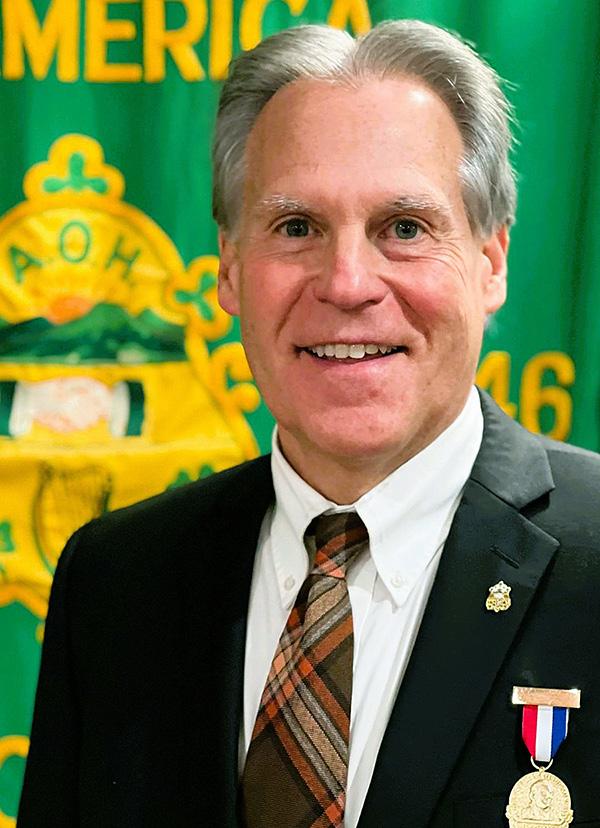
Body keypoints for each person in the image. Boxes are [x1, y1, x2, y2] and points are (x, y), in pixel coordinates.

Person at [18, 19, 600, 828]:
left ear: (491, 261)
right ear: (228, 268)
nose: (348, 283)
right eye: (297, 228)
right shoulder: (115, 583)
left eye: (404, 228)